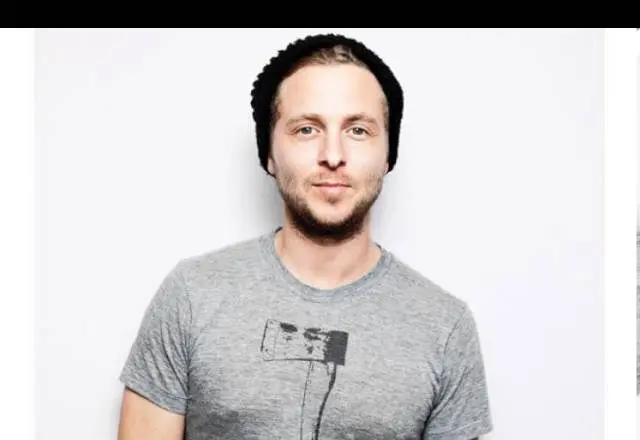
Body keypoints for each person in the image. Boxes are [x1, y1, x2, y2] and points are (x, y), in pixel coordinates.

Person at [117, 33, 493, 440]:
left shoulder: (444, 327)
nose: (332, 155)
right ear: (269, 154)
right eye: (307, 129)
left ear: (388, 155)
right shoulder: (192, 295)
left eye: (358, 130)